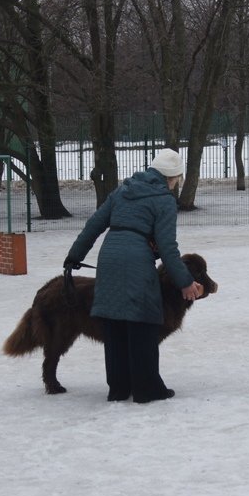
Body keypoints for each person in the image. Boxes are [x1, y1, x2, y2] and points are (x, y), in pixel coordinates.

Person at [64, 148, 204, 403]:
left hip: (109, 258)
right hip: (137, 260)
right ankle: (146, 388)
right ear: (171, 177)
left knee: (114, 321)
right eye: (176, 180)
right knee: (145, 322)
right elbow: (168, 247)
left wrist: (74, 257)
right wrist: (184, 282)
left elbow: (94, 225)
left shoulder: (122, 191)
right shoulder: (163, 199)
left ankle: (118, 388)